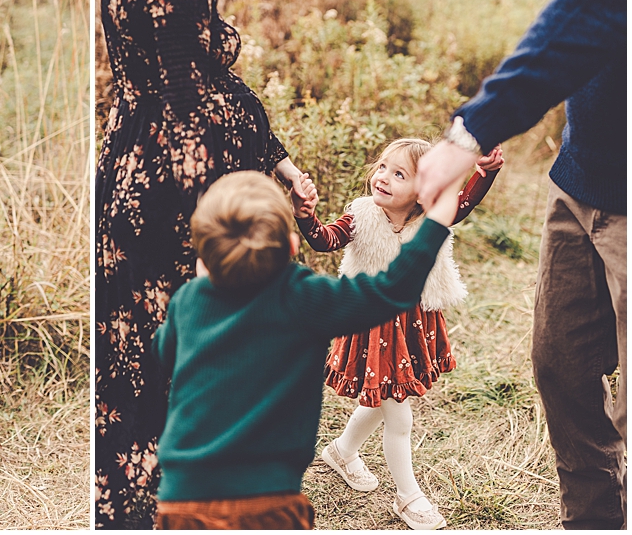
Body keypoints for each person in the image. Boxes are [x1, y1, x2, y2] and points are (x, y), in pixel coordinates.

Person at [414, 0, 626, 528]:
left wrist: (470, 129)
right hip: (579, 188)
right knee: (563, 374)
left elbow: (597, 9)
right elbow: (579, 31)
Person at [95, 0, 312, 528]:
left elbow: (184, 85)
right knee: (186, 360)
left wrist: (275, 155)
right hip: (173, 191)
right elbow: (200, 105)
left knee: (131, 359)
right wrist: (266, 177)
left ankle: (135, 504)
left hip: (127, 174)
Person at [151, 170, 466, 530]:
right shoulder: (303, 298)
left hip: (180, 496)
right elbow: (393, 289)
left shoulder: (188, 301)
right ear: (292, 247)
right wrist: (438, 217)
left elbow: (161, 363)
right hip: (266, 499)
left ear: (202, 252)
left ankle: (344, 451)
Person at [294, 139, 502, 529]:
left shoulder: (433, 217)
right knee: (398, 414)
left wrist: (485, 172)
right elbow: (323, 240)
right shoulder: (360, 215)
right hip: (372, 322)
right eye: (383, 167)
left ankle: (342, 451)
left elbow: (465, 201)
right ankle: (409, 496)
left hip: (411, 324)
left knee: (382, 397)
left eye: (399, 174)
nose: (384, 177)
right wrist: (305, 214)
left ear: (423, 192)